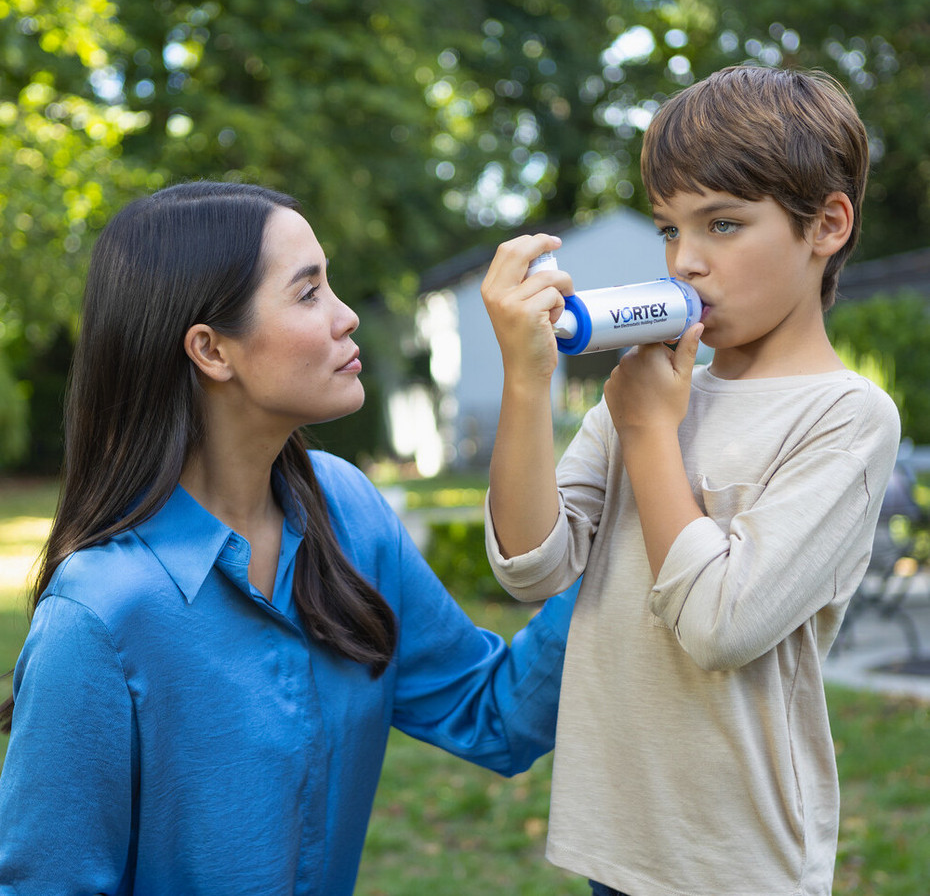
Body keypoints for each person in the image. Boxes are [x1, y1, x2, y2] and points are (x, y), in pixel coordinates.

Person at [0, 181, 578, 896]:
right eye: (309, 294)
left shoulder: (350, 514)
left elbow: (497, 715)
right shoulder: (100, 617)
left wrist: (636, 501)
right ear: (211, 350)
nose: (347, 316)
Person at [480, 66, 901, 896]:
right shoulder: (651, 386)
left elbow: (719, 624)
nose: (688, 263)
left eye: (724, 224)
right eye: (671, 230)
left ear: (827, 224)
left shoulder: (846, 417)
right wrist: (527, 382)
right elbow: (531, 565)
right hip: (618, 839)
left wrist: (646, 432)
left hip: (734, 862)